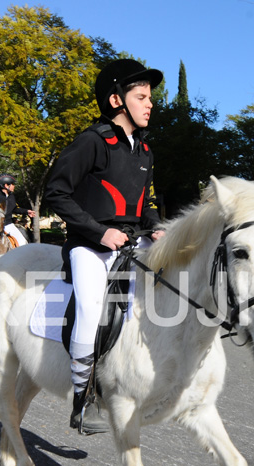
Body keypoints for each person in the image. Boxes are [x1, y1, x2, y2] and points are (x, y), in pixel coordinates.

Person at [43, 58, 165, 435]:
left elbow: (145, 207)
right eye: (141, 96)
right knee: (93, 308)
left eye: (150, 97)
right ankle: (84, 398)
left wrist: (157, 230)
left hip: (132, 243)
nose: (149, 104)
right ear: (116, 100)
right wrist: (99, 233)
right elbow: (56, 193)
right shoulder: (92, 141)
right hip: (90, 245)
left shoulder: (144, 152)